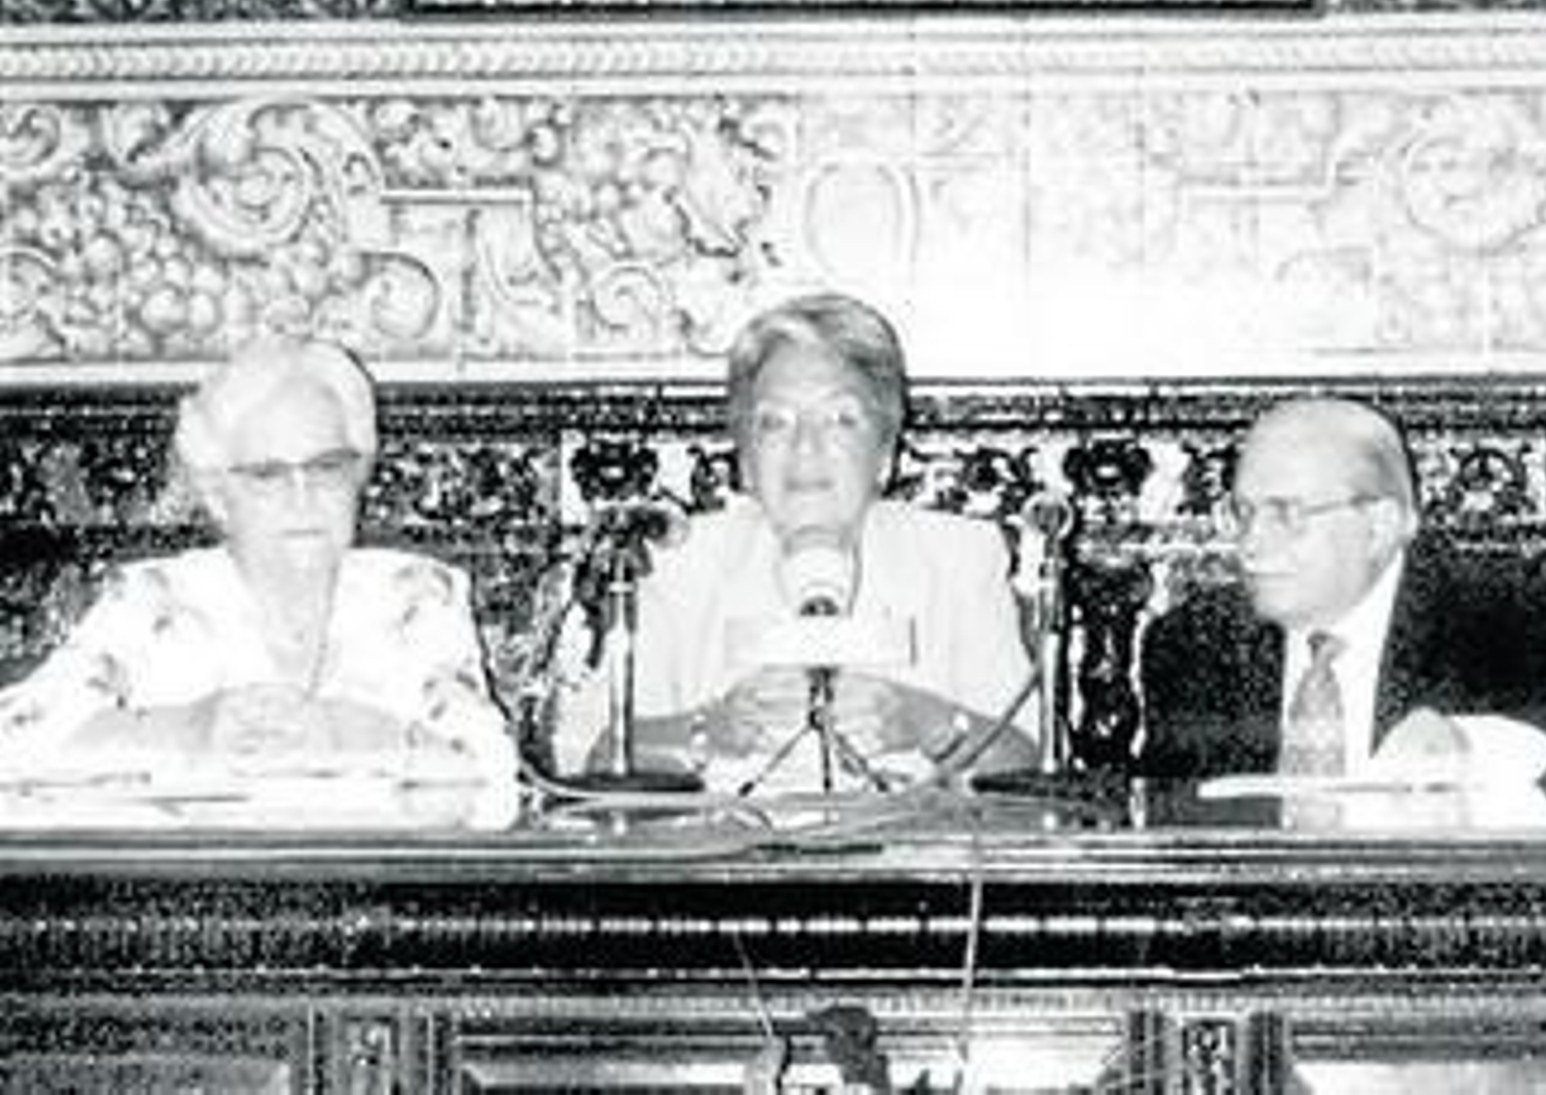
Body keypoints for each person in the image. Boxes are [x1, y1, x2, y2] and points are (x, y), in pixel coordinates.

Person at [0, 336, 520, 828]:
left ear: (357, 478)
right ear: (219, 497)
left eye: (326, 468)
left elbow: (491, 778)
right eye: (268, 475)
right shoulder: (154, 598)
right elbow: (15, 749)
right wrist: (188, 731)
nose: (303, 497)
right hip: (189, 902)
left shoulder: (415, 593)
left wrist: (344, 733)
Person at [552, 292, 1038, 794]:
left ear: (885, 456)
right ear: (744, 458)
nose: (806, 447)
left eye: (841, 420)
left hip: (914, 864)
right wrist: (711, 728)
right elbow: (598, 759)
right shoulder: (678, 564)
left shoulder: (960, 560)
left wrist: (923, 721)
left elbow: (1028, 761)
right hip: (719, 861)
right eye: (774, 422)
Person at [1138, 395, 1546, 828]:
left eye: (1287, 514)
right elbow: (1170, 827)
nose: (1251, 543)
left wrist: (1469, 744)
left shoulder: (1500, 619)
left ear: (1380, 525)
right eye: (1243, 512)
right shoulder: (1194, 642)